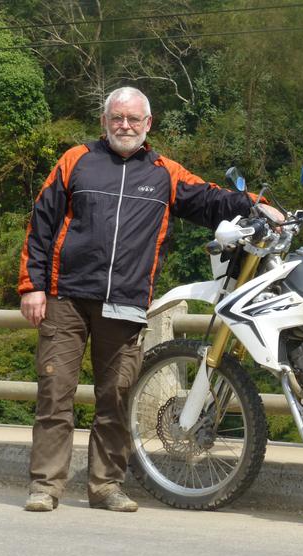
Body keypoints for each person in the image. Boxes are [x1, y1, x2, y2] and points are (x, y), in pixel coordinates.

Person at [18, 86, 253, 512]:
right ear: (104, 122)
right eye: (117, 118)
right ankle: (45, 486)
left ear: (148, 125)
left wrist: (256, 205)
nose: (124, 126)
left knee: (117, 396)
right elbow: (41, 224)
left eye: (133, 119)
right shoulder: (76, 161)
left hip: (125, 301)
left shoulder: (165, 173)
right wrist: (32, 286)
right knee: (55, 393)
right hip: (65, 296)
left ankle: (106, 486)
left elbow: (211, 199)